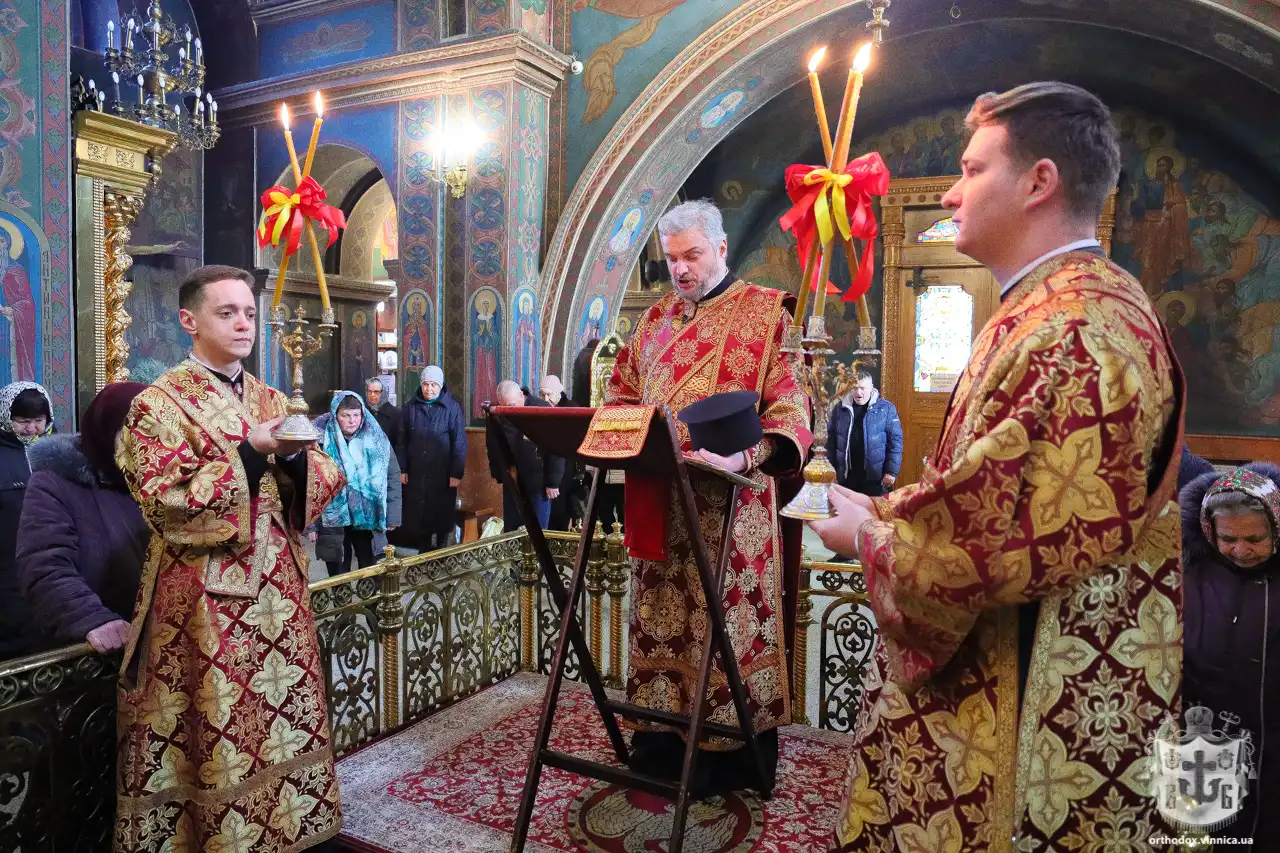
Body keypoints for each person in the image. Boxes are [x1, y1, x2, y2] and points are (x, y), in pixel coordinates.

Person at [809, 83, 1185, 850]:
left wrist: (866, 537)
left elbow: (993, 551)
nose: (952, 191)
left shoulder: (1069, 332)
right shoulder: (1082, 302)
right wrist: (881, 507)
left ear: (1039, 182)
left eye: (972, 169)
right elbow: (1002, 491)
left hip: (1024, 698)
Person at [114, 265, 346, 852]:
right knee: (217, 729)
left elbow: (323, 476)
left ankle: (288, 830)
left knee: (280, 722)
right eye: (227, 313)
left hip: (280, 596)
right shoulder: (157, 404)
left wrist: (290, 460)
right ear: (189, 321)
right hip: (205, 603)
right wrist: (249, 450)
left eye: (248, 312)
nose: (243, 323)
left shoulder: (271, 396)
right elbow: (165, 501)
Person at [604, 199, 811, 794]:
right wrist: (623, 438)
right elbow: (619, 395)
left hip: (733, 510)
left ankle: (728, 760)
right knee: (660, 623)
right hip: (660, 503)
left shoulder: (766, 313)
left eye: (692, 255)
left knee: (725, 633)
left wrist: (743, 457)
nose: (681, 269)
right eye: (672, 259)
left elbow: (792, 408)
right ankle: (661, 748)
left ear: (720, 248)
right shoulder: (652, 321)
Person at [1181, 463, 1280, 849]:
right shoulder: (1188, 572)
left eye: (1254, 538)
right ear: (1210, 531)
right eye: (1228, 538)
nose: (1241, 550)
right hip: (1209, 738)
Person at [16, 382, 150, 653]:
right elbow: (45, 565)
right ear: (106, 430)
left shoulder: (164, 481)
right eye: (132, 433)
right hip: (100, 650)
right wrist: (92, 618)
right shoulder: (55, 482)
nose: (145, 446)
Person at [313, 392, 402, 575]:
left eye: (356, 415)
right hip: (334, 519)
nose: (352, 421)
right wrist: (311, 525)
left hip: (368, 514)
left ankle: (369, 595)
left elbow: (392, 475)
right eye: (346, 415)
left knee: (370, 567)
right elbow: (310, 486)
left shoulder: (377, 439)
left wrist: (392, 515)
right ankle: (342, 595)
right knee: (338, 571)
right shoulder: (319, 442)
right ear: (335, 415)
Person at [0, 381, 53, 657]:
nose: (31, 429)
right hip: (7, 563)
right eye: (22, 421)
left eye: (38, 420)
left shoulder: (57, 452)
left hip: (49, 561)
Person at [398, 365, 466, 551]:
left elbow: (459, 442)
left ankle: (442, 551)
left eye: (433, 385)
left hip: (442, 473)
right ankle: (423, 552)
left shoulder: (452, 408)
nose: (429, 389)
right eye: (426, 384)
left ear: (440, 386)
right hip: (417, 472)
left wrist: (456, 473)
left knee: (442, 514)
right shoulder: (410, 407)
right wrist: (402, 469)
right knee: (419, 516)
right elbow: (402, 441)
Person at [487, 380, 563, 532]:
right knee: (512, 532)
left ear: (521, 395)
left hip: (538, 483)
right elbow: (492, 445)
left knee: (538, 531)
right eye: (504, 407)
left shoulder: (542, 409)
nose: (508, 411)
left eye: (512, 405)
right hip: (512, 481)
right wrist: (498, 474)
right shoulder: (497, 412)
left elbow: (557, 447)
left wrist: (553, 482)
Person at [826, 369, 902, 497]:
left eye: (862, 388)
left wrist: (891, 472)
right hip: (846, 478)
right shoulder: (840, 408)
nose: (858, 392)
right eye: (855, 388)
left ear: (871, 388)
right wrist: (830, 470)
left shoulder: (886, 409)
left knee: (872, 509)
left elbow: (895, 442)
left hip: (875, 479)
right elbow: (830, 442)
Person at [539, 374, 580, 530]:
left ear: (558, 393)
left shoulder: (570, 409)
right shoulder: (542, 408)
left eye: (549, 394)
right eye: (542, 395)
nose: (546, 399)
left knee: (560, 512)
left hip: (566, 469)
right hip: (549, 469)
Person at [365, 376, 401, 451]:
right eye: (369, 391)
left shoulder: (395, 414)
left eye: (376, 392)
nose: (372, 395)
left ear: (383, 393)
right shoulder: (363, 411)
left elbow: (399, 444)